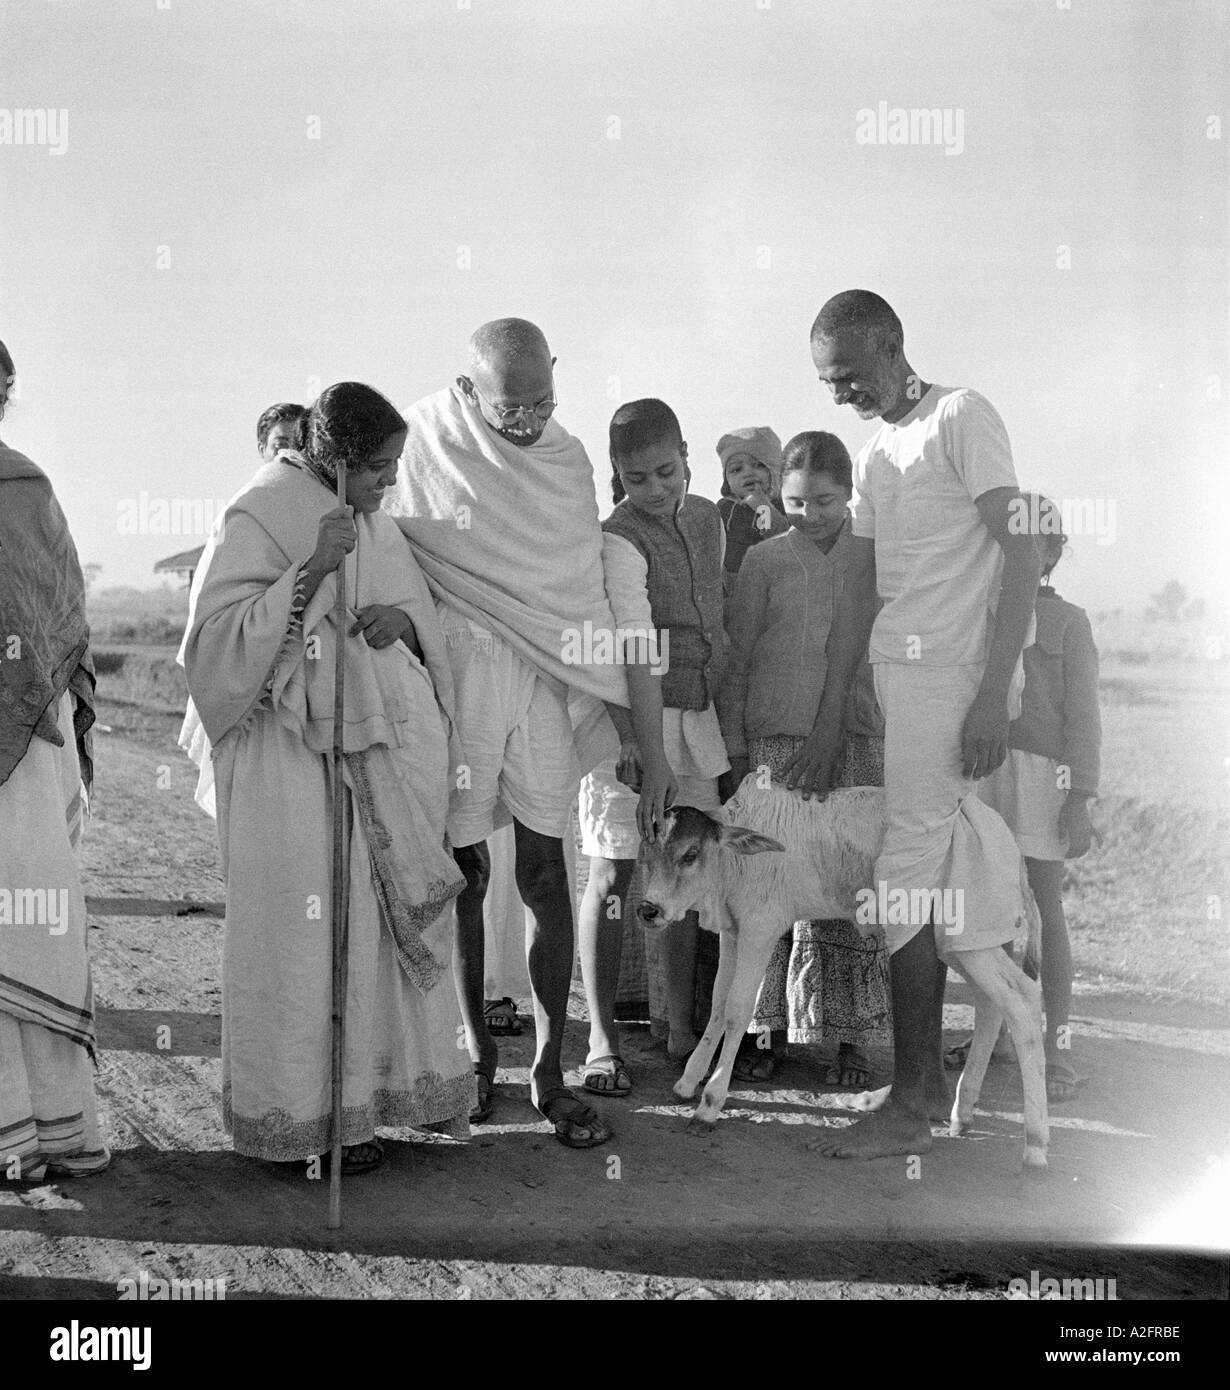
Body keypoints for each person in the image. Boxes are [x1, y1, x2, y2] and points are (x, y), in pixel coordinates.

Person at [385, 319, 672, 1148]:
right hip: (467, 672)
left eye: (543, 399)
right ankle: (476, 1055)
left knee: (548, 873)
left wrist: (636, 735)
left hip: (545, 681)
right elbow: (398, 547)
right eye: (512, 408)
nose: (528, 420)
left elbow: (576, 588)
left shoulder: (567, 459)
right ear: (470, 391)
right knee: (469, 869)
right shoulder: (427, 439)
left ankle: (549, 1065)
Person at [180, 382, 473, 1174]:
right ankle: (294, 1119)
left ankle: (358, 1112)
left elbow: (416, 619)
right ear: (337, 459)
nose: (389, 485)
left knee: (362, 930)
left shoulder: (370, 521)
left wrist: (399, 624)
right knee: (299, 937)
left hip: (365, 762)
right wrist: (309, 574)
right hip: (286, 763)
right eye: (378, 469)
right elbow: (211, 653)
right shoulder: (259, 510)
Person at [795, 290, 1041, 1160]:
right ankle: (926, 1085)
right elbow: (857, 585)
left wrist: (991, 691)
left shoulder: (962, 416)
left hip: (954, 677)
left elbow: (1019, 551)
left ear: (896, 348)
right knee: (922, 869)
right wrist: (831, 715)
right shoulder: (874, 451)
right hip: (900, 681)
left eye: (852, 376)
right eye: (829, 383)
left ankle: (911, 1100)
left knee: (903, 865)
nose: (842, 394)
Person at [718, 431, 891, 1088]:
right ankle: (766, 1031)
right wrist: (737, 754)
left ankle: (850, 1036)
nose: (809, 514)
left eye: (823, 500)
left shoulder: (873, 559)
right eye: (795, 501)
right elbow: (736, 662)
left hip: (855, 743)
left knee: (854, 887)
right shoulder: (764, 562)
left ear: (849, 494)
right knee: (770, 888)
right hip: (775, 751)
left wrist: (838, 734)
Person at [576, 400, 729, 1094]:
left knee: (680, 876)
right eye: (636, 478)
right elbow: (616, 648)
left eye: (666, 471)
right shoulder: (614, 537)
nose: (656, 488)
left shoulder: (706, 519)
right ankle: (602, 1042)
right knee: (613, 876)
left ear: (686, 454)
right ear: (617, 477)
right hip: (629, 726)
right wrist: (637, 742)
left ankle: (678, 1026)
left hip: (697, 721)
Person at [0, 337, 109, 1181]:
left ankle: (56, 1131)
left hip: (29, 746)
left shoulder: (27, 489)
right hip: (32, 740)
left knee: (30, 914)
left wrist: (53, 700)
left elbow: (63, 616)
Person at [973, 495, 1100, 1102]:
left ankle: (1056, 1048)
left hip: (1043, 781)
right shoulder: (979, 610)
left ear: (1051, 554)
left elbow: (1085, 719)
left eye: (1034, 543)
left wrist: (1080, 798)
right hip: (984, 771)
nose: (1019, 554)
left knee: (1045, 907)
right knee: (985, 908)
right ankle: (993, 1040)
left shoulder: (1070, 621)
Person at [715, 427, 790, 595]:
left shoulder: (781, 505)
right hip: (734, 591)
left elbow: (780, 539)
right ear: (727, 480)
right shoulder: (723, 509)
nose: (748, 472)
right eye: (736, 469)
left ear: (775, 471)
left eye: (758, 465)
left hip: (774, 590)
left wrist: (762, 506)